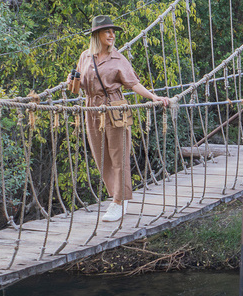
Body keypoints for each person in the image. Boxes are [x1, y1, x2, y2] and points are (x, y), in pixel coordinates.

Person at [72, 15, 172, 222]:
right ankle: (118, 197)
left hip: (114, 108)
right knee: (101, 157)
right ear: (96, 35)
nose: (112, 35)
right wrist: (72, 80)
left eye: (113, 32)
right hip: (91, 109)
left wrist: (153, 97)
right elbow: (78, 86)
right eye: (107, 31)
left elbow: (133, 84)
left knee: (119, 156)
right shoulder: (85, 56)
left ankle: (119, 201)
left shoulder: (118, 58)